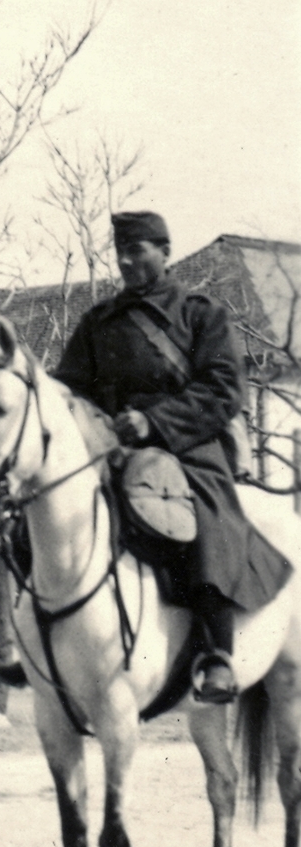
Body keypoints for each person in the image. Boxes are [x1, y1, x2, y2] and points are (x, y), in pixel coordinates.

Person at [48, 210, 292, 704]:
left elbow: (225, 390)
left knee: (204, 513)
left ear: (165, 251)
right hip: (113, 449)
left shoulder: (201, 315)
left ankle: (217, 652)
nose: (124, 260)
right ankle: (29, 641)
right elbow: (70, 390)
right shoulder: (98, 322)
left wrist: (155, 422)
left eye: (137, 250)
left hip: (189, 446)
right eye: (120, 251)